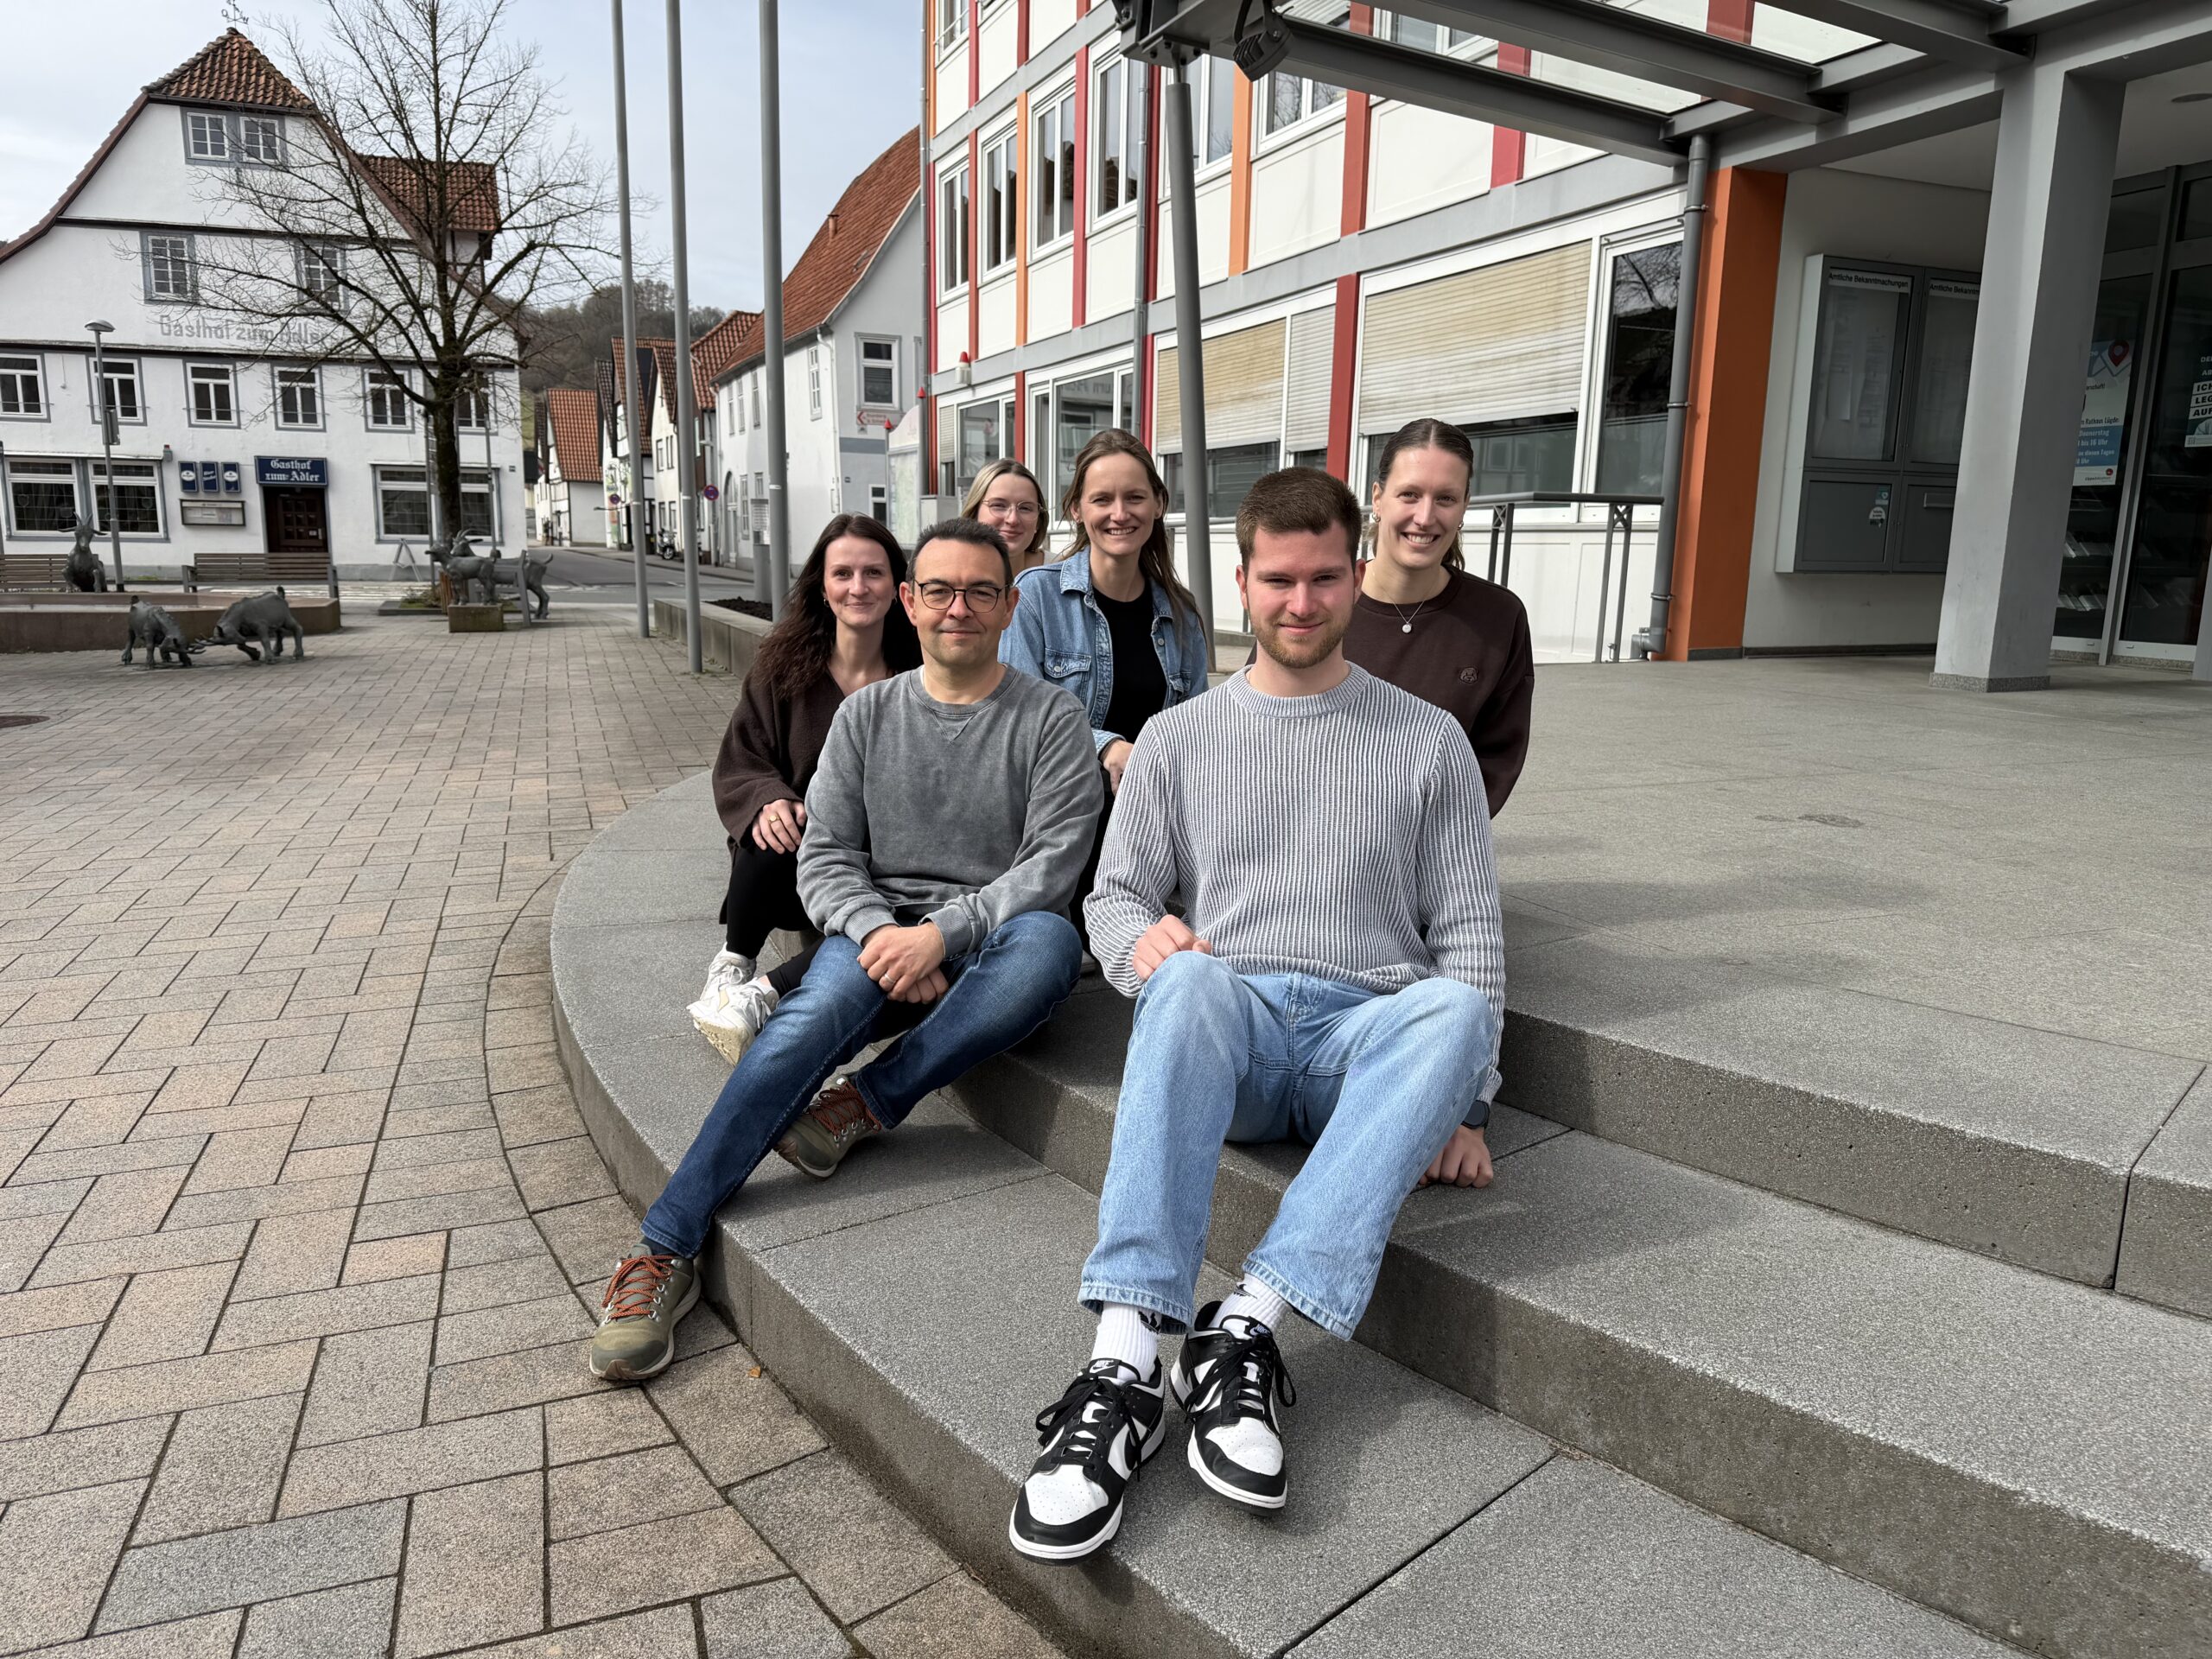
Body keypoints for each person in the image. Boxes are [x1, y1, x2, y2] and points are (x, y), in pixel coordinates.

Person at [1009, 468, 1503, 1562]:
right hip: (1230, 1027)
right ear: (1241, 583)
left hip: (1359, 1041)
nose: (1301, 601)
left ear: (1355, 576)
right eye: (1278, 580)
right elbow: (1113, 897)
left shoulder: (1429, 742)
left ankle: (1245, 1330)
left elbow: (1470, 931)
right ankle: (1124, 1358)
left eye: (1323, 577)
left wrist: (1464, 1104)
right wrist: (1139, 948)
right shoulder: (1178, 738)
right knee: (1185, 979)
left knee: (1456, 1007)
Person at [589, 518, 1103, 1382]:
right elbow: (826, 856)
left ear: (1010, 606)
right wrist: (883, 934)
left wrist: (942, 935)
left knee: (1050, 943)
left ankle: (865, 1100)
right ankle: (664, 1248)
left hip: (991, 937)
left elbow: (1053, 864)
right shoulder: (868, 715)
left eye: (981, 591)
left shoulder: (1051, 718)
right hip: (875, 928)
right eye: (939, 590)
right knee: (800, 1027)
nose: (959, 608)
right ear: (911, 601)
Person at [1353, 417, 1535, 1184]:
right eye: (1409, 494)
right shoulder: (1322, 598)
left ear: (1466, 506)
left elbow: (1498, 753)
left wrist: (1430, 842)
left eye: (1446, 499)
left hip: (1435, 852)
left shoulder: (1497, 618)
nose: (1425, 516)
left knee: (1452, 953)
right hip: (1322, 849)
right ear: (1377, 497)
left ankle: (1452, 1107)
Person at [690, 515, 923, 1062]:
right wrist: (766, 796)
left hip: (888, 870)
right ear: (822, 585)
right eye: (843, 573)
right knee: (772, 818)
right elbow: (742, 758)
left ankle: (761, 998)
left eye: (874, 573)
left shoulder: (922, 670)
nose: (858, 587)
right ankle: (733, 964)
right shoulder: (781, 666)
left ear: (899, 587)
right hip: (795, 872)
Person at [999, 430, 1210, 934]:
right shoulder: (1036, 597)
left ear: (1159, 504)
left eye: (1135, 497)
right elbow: (1018, 718)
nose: (1120, 513)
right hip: (1060, 822)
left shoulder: (1181, 613)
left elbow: (1202, 730)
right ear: (1076, 508)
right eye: (1102, 499)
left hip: (1150, 828)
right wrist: (1106, 747)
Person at [963, 458, 1054, 575]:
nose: (1013, 519)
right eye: (999, 505)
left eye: (1025, 508)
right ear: (974, 513)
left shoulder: (1064, 573)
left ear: (1039, 521)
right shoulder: (948, 571)